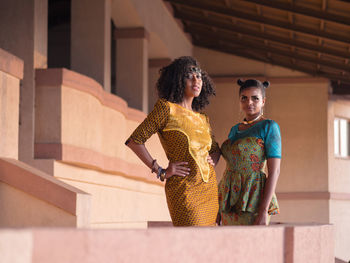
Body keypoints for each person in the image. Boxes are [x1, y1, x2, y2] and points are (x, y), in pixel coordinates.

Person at [125, 56, 220, 226]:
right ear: (177, 80)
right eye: (188, 75)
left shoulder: (203, 118)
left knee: (207, 246)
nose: (195, 80)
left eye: (198, 76)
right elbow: (135, 140)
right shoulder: (166, 109)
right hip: (184, 191)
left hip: (209, 191)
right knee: (190, 242)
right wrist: (160, 170)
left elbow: (215, 148)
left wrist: (213, 160)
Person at [217, 79, 281, 226]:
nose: (249, 102)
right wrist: (219, 206)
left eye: (255, 98)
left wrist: (264, 211)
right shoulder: (235, 129)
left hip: (253, 198)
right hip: (228, 198)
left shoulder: (269, 126)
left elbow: (275, 171)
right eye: (244, 98)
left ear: (263, 101)